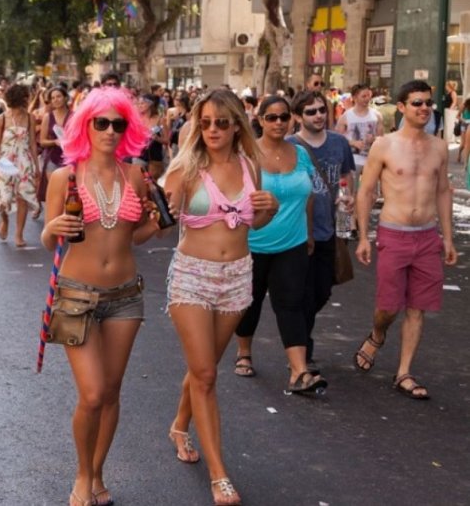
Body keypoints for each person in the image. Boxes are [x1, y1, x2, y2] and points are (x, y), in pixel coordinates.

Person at [41, 87, 160, 506]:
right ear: (85, 126)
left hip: (126, 296)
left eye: (119, 124)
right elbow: (46, 238)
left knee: (111, 392)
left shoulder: (135, 177)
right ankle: (81, 474)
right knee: (91, 393)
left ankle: (98, 473)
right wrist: (54, 226)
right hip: (76, 295)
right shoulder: (65, 177)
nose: (110, 131)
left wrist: (158, 224)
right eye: (101, 122)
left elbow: (139, 236)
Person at [163, 89, 278, 506]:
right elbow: (158, 217)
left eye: (222, 123)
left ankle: (179, 425)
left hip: (237, 277)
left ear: (236, 126)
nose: (213, 130)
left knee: (203, 367)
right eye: (206, 122)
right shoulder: (185, 168)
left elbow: (256, 222)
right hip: (192, 276)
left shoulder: (250, 165)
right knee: (208, 375)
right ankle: (219, 475)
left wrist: (271, 207)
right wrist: (158, 207)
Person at [353, 80, 458, 400]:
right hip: (393, 234)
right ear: (401, 107)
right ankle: (377, 333)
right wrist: (363, 237)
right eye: (416, 103)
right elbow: (367, 191)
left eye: (428, 103)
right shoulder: (384, 145)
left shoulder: (439, 147)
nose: (424, 108)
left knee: (417, 307)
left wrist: (448, 237)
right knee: (388, 305)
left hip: (426, 237)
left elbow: (442, 192)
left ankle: (404, 372)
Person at [232, 96, 325, 393]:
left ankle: (299, 371)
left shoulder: (301, 154)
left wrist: (309, 233)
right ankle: (244, 352)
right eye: (271, 117)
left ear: (291, 119)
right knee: (250, 301)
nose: (278, 123)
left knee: (291, 304)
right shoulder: (245, 156)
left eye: (284, 117)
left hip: (293, 243)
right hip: (252, 244)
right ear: (259, 120)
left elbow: (308, 197)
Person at [287, 91, 356, 369]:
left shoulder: (339, 143)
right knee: (301, 292)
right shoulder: (290, 145)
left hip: (329, 228)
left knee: (322, 290)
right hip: (297, 231)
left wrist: (349, 196)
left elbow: (346, 176)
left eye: (321, 110)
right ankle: (301, 350)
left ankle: (298, 335)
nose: (318, 116)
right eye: (310, 112)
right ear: (298, 117)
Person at [0, 84, 39, 247]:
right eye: (25, 97)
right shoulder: (1, 118)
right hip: (5, 161)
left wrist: (36, 166)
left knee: (23, 197)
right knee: (4, 198)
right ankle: (4, 221)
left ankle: (19, 234)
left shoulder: (30, 118)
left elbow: (33, 143)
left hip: (24, 161)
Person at [38, 86, 72, 201]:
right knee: (53, 193)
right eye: (53, 98)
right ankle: (53, 218)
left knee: (68, 192)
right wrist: (54, 142)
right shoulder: (48, 117)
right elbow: (42, 141)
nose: (56, 100)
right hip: (52, 158)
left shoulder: (74, 116)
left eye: (58, 96)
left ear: (65, 98)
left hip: (70, 159)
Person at [336, 84, 383, 156]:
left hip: (371, 159)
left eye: (368, 95)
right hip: (352, 159)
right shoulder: (345, 116)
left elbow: (381, 138)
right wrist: (353, 143)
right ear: (355, 98)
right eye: (363, 96)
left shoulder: (377, 115)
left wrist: (373, 139)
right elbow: (338, 139)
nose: (367, 99)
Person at [135, 94, 166, 180]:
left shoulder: (160, 120)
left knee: (152, 185)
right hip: (139, 155)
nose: (140, 106)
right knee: (139, 182)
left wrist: (156, 138)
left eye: (142, 103)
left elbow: (167, 140)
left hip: (154, 158)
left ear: (150, 104)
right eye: (138, 104)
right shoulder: (137, 119)